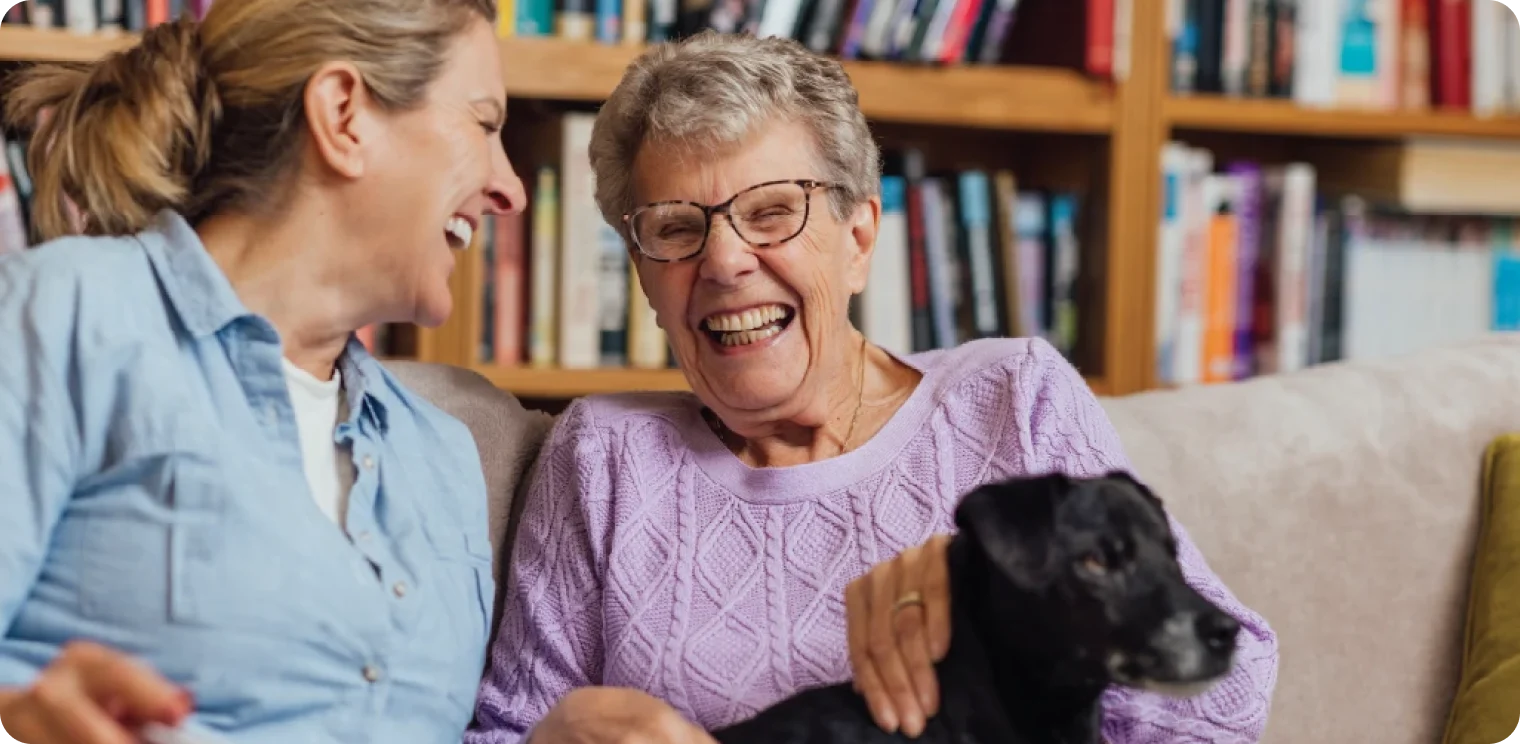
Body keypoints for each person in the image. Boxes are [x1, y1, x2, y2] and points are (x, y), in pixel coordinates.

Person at [466, 31, 1278, 744]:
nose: (722, 262)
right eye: (676, 228)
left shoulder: (1011, 400)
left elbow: (1226, 700)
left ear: (859, 239)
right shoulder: (604, 456)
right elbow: (499, 734)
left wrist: (986, 588)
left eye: (772, 210)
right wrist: (552, 738)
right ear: (643, 275)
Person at [0, 0, 524, 741]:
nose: (513, 190)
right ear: (344, 115)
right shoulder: (70, 314)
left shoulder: (442, 455)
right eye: (486, 124)